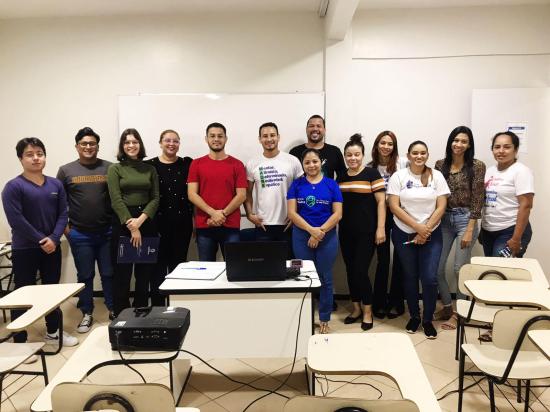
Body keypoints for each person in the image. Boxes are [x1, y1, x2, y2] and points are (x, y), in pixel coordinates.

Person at [2, 138, 78, 346]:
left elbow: (63, 213)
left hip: (52, 247)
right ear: (21, 158)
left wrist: (53, 239)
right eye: (30, 154)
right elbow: (16, 220)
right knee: (22, 293)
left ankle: (53, 332)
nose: (36, 158)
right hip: (25, 248)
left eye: (39, 153)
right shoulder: (13, 187)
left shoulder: (55, 184)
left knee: (51, 291)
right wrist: (41, 239)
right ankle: (20, 339)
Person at [388, 141, 450, 339]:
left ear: (427, 155)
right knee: (410, 276)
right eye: (415, 153)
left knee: (430, 278)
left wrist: (425, 230)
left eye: (423, 153)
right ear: (408, 155)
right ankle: (414, 316)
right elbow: (394, 206)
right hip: (403, 232)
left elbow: (441, 206)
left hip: (432, 234)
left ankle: (427, 319)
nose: (419, 156)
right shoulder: (399, 176)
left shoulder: (436, 176)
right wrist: (417, 228)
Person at [57, 127, 114, 333]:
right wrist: (66, 229)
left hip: (107, 232)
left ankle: (112, 309)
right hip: (80, 234)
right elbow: (59, 202)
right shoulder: (66, 170)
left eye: (92, 144)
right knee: (85, 275)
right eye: (84, 144)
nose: (88, 147)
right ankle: (87, 312)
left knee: (108, 273)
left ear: (98, 146)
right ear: (77, 146)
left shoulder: (110, 168)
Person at [287, 148, 342, 334]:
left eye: (315, 161)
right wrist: (311, 231)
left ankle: (324, 317)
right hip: (301, 236)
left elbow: (338, 214)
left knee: (325, 278)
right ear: (302, 165)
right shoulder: (296, 184)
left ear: (321, 163)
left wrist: (320, 232)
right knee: (302, 278)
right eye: (307, 162)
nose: (311, 165)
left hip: (327, 237)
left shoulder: (331, 184)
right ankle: (304, 317)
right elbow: (292, 213)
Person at [434, 126, 485, 324]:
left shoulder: (477, 165)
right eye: (456, 140)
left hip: (466, 219)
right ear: (450, 142)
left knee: (459, 268)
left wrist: (471, 228)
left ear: (469, 144)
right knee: (437, 269)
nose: (459, 144)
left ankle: (460, 313)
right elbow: (436, 193)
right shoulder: (440, 165)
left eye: (464, 141)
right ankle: (447, 307)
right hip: (444, 219)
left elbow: (478, 197)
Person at [107, 129, 159, 316]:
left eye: (135, 142)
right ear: (122, 146)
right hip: (123, 223)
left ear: (140, 145)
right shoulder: (115, 169)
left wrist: (141, 221)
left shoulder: (150, 169)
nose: (131, 145)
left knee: (144, 274)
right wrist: (132, 225)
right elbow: (116, 199)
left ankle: (141, 311)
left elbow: (155, 198)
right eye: (127, 142)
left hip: (146, 222)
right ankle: (122, 314)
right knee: (123, 274)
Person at [338, 134, 386, 330]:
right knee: (350, 271)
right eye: (349, 155)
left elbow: (382, 202)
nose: (353, 158)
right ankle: (356, 308)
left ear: (363, 155)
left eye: (357, 154)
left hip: (367, 232)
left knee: (360, 271)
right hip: (346, 232)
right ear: (345, 156)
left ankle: (368, 311)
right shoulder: (340, 176)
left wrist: (380, 228)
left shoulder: (372, 174)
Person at [187, 122, 247, 261]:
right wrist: (213, 213)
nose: (216, 139)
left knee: (234, 267)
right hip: (205, 224)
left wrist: (222, 214)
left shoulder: (237, 164)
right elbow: (192, 194)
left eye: (220, 136)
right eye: (212, 136)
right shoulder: (196, 164)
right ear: (206, 139)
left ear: (226, 139)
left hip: (230, 225)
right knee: (207, 269)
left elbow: (242, 195)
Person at [145, 129, 193, 301]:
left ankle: (176, 304)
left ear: (179, 144)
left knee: (178, 265)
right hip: (156, 225)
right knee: (156, 268)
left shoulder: (188, 164)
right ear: (160, 143)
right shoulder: (149, 166)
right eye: (167, 140)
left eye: (175, 141)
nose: (171, 144)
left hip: (182, 224)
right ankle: (157, 306)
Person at [244, 122, 303, 255]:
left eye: (272, 135)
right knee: (265, 268)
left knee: (289, 267)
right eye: (265, 136)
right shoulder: (252, 163)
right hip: (263, 225)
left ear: (278, 137)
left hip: (288, 223)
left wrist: (297, 215)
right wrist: (249, 214)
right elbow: (247, 192)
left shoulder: (292, 161)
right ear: (259, 139)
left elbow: (302, 191)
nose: (269, 139)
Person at [367, 131, 408, 319]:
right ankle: (380, 302)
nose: (386, 146)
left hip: (400, 214)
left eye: (390, 144)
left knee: (400, 258)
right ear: (376, 145)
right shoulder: (369, 167)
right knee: (383, 261)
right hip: (379, 217)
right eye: (382, 143)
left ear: (394, 146)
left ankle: (397, 301)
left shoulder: (402, 164)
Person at [481, 131, 534, 257]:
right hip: (488, 231)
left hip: (510, 231)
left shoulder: (521, 171)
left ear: (515, 150)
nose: (501, 151)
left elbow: (526, 205)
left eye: (507, 147)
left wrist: (516, 238)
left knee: (500, 272)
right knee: (490, 270)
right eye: (497, 147)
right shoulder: (489, 171)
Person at [290, 115, 345, 180]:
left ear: (324, 130)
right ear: (306, 129)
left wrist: (333, 188)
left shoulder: (334, 151)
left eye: (319, 126)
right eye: (311, 126)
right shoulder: (295, 152)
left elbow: (343, 176)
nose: (315, 129)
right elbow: (290, 178)